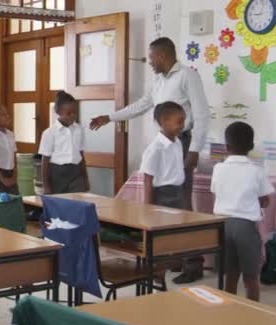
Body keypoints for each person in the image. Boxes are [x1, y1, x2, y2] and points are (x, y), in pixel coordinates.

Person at [90, 37, 210, 284]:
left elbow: (201, 113)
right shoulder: (158, 81)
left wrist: (195, 149)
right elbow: (143, 105)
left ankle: (193, 262)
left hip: (183, 143)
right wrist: (109, 117)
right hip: (165, 142)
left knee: (183, 204)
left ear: (163, 55)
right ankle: (172, 257)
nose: (151, 62)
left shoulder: (188, 75)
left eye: (152, 57)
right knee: (167, 206)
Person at [211, 122, 274, 302]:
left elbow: (215, 192)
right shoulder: (256, 170)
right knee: (251, 276)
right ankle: (253, 309)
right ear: (252, 147)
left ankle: (229, 307)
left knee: (230, 273)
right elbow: (265, 200)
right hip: (245, 226)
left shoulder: (218, 169)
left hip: (222, 225)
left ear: (226, 146)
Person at [38, 91, 89, 194]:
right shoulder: (49, 133)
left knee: (77, 203)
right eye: (69, 113)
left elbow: (81, 155)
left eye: (75, 112)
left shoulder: (79, 130)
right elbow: (45, 161)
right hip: (57, 175)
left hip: (76, 173)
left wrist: (85, 179)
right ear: (58, 112)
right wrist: (46, 186)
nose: (73, 116)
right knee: (61, 205)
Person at [140, 102, 185, 208]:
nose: (183, 126)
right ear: (164, 122)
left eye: (184, 121)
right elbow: (148, 179)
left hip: (178, 192)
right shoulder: (155, 148)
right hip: (162, 195)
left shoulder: (178, 143)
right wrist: (147, 208)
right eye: (179, 122)